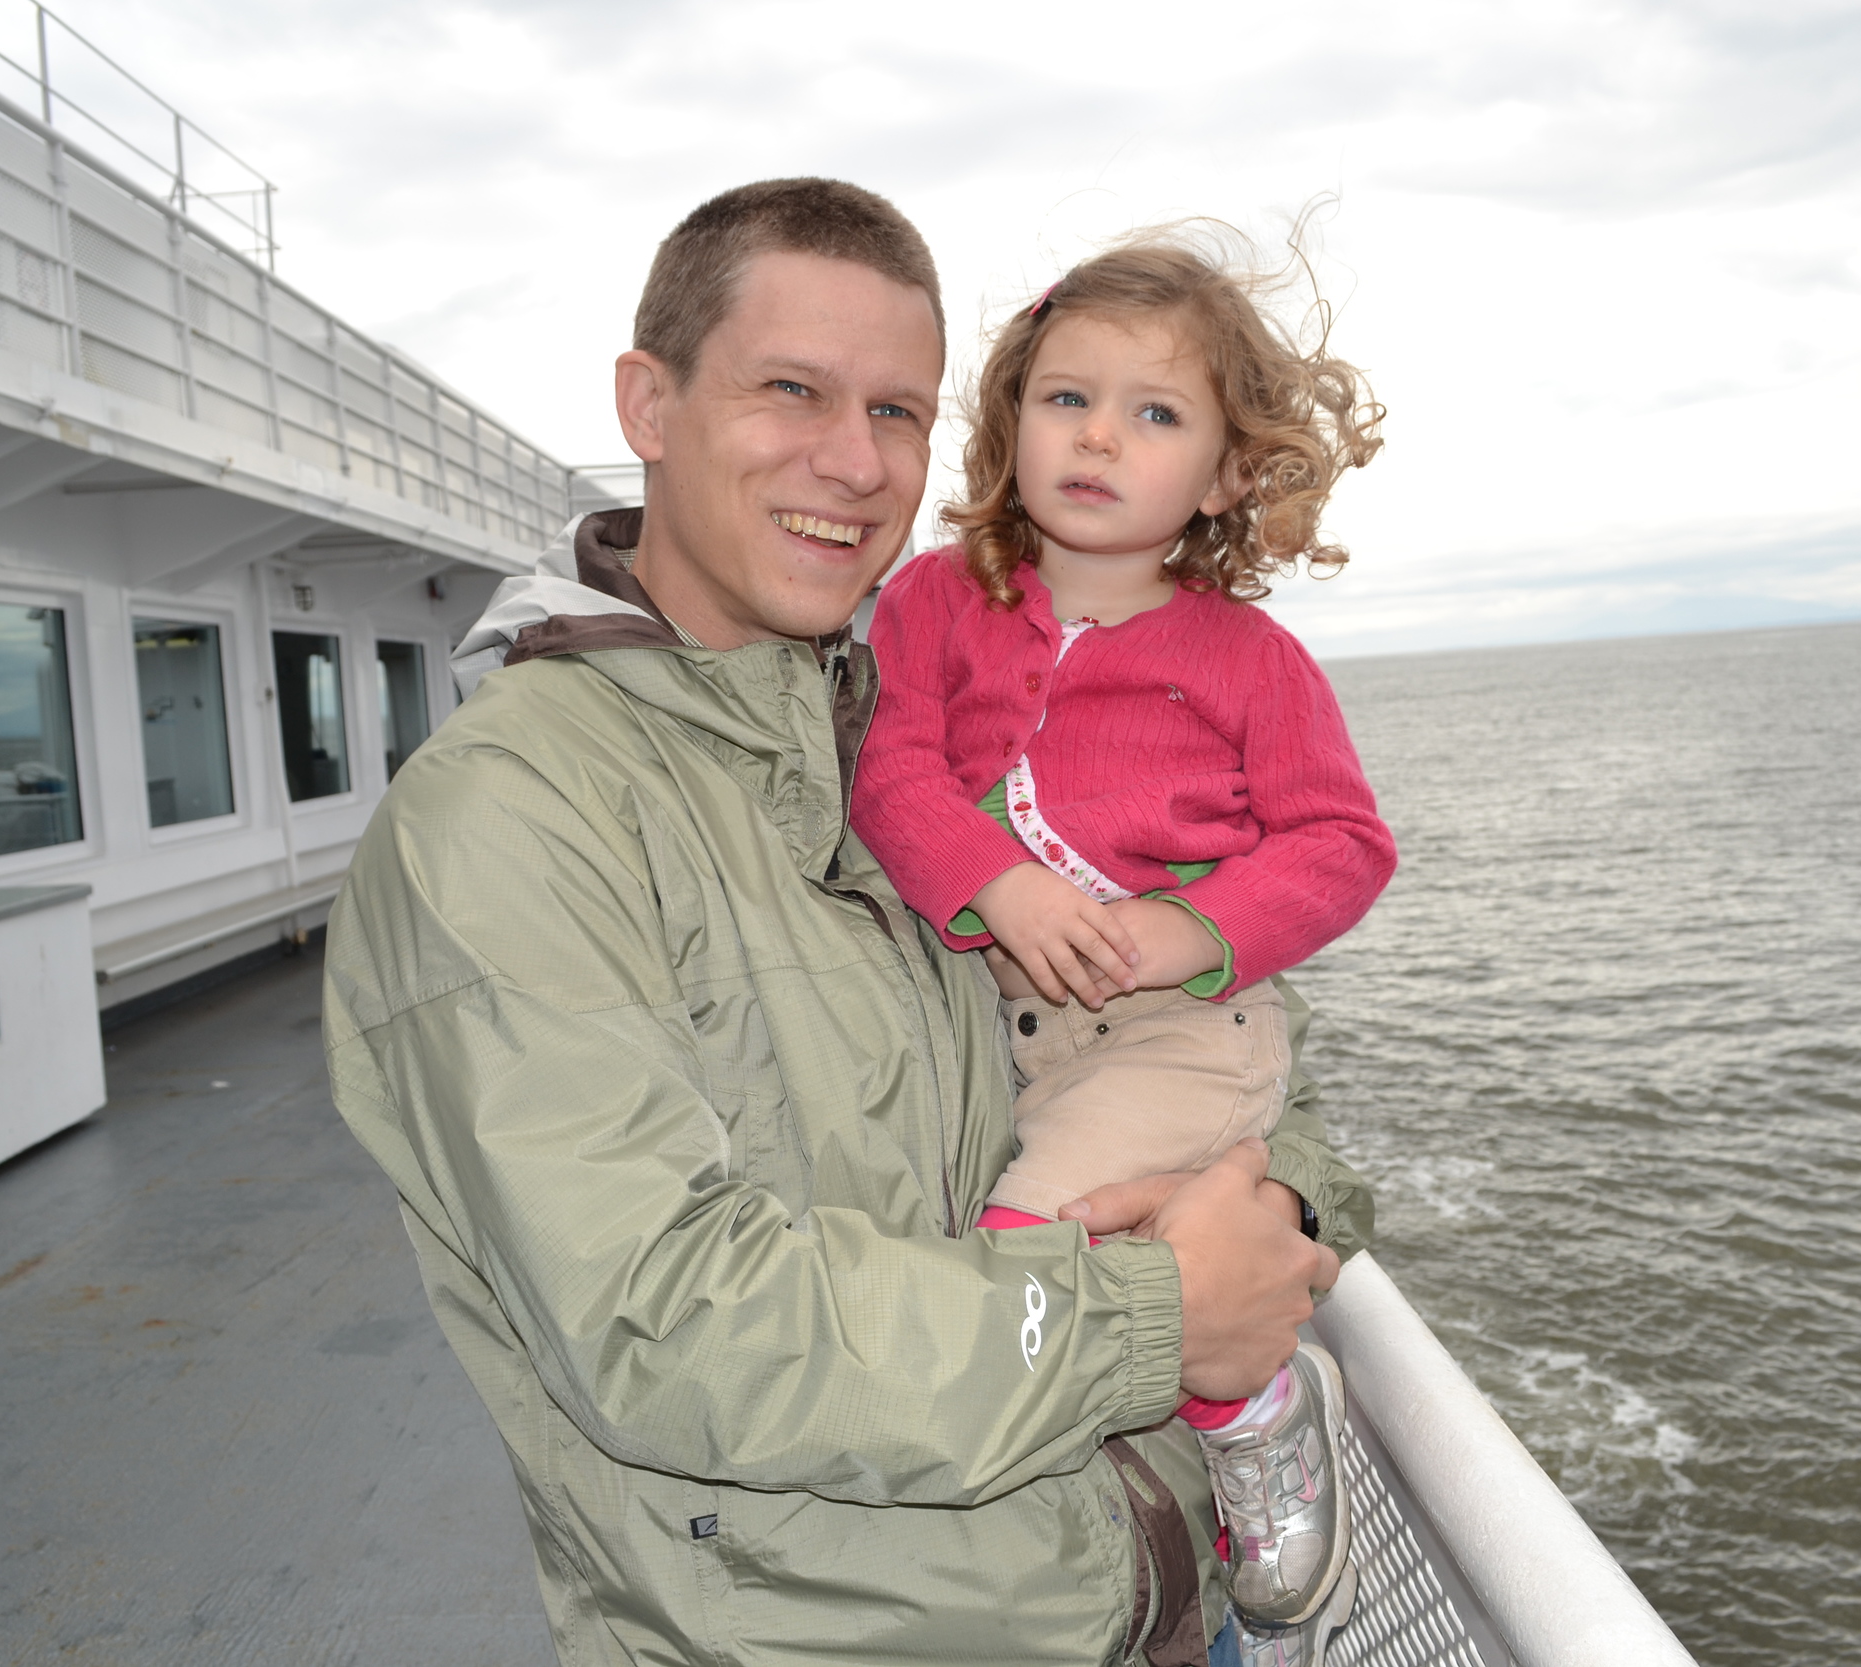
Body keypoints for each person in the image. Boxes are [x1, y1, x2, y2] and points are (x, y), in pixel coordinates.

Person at [323, 178, 1370, 1667]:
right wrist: (1160, 1311)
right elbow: (662, 1328)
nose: (853, 460)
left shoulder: (901, 743)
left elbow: (1230, 1055)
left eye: (896, 411)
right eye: (792, 391)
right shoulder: (508, 818)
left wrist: (1283, 1225)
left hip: (1152, 1608)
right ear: (651, 402)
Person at [849, 232, 1393, 1657]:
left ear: (1222, 476)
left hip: (1176, 1034)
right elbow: (890, 775)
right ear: (1012, 418)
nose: (1100, 437)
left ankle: (1247, 1409)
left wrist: (1185, 932)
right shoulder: (930, 604)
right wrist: (1000, 888)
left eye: (1156, 415)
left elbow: (1341, 846)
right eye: (1067, 399)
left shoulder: (1250, 659)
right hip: (994, 1018)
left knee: (1024, 1250)